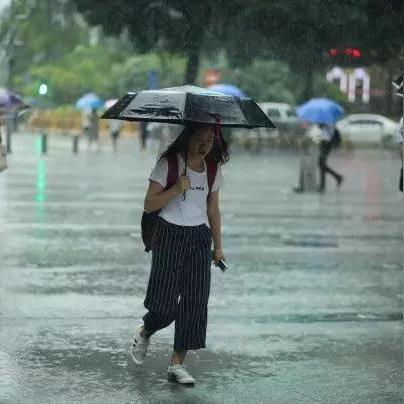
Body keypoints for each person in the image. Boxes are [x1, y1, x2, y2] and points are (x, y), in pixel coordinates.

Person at [129, 122, 229, 385]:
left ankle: (177, 364)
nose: (205, 144)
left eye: (210, 139)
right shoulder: (169, 164)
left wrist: (217, 246)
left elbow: (213, 210)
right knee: (163, 306)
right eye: (200, 138)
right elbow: (149, 203)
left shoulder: (213, 169)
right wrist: (175, 189)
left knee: (195, 302)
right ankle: (146, 329)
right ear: (188, 137)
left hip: (198, 237)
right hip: (168, 234)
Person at [317, 123, 343, 193]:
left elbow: (330, 133)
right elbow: (324, 131)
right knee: (321, 164)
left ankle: (337, 177)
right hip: (324, 143)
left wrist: (323, 125)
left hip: (327, 144)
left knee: (321, 163)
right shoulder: (324, 121)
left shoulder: (328, 121)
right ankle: (323, 185)